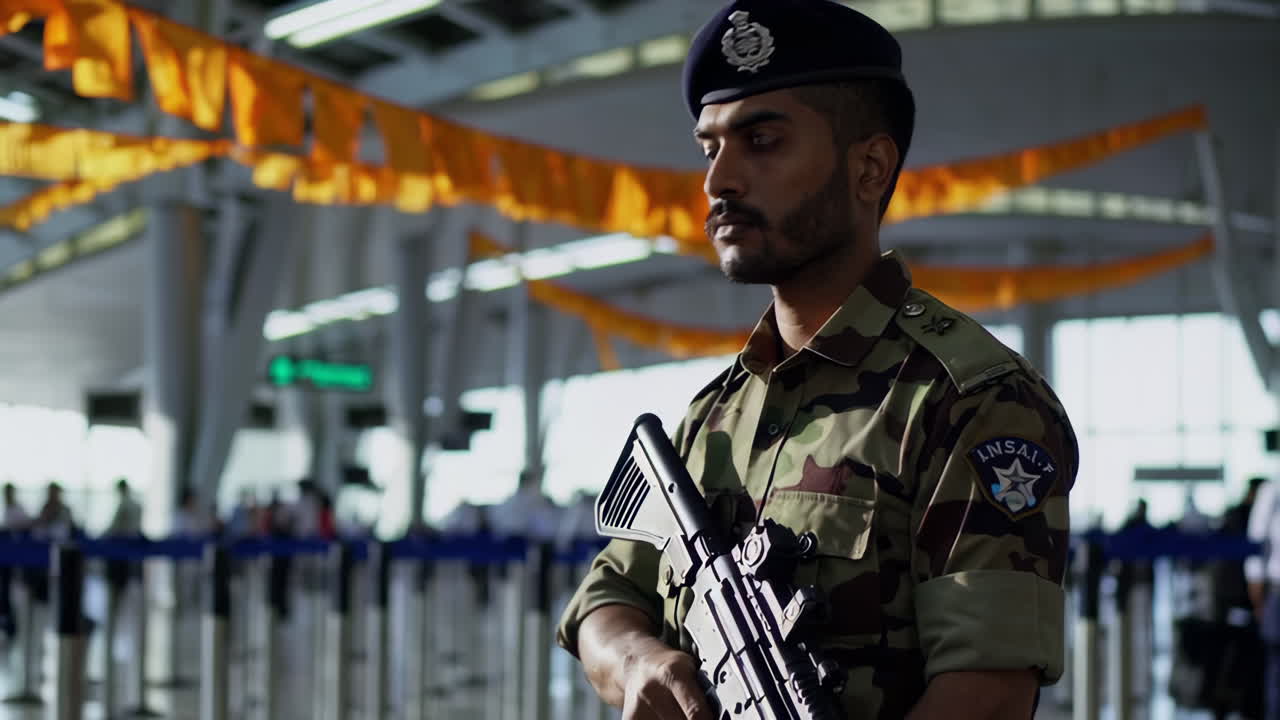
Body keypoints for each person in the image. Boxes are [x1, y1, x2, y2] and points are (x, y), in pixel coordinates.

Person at [555, 2, 1078, 717]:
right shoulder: (715, 414)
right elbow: (606, 598)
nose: (719, 181)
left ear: (869, 168)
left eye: (762, 141)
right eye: (710, 149)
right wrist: (638, 660)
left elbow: (986, 693)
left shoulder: (970, 402)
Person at [1247, 477, 1280, 719]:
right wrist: (1256, 590)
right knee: (1276, 665)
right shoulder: (1273, 490)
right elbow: (1257, 543)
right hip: (1277, 590)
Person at [0, 483, 31, 639]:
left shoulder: (18, 509)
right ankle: (7, 623)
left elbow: (27, 525)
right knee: (5, 592)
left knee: (13, 594)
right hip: (6, 559)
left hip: (16, 559)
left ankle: (12, 627)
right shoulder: (7, 509)